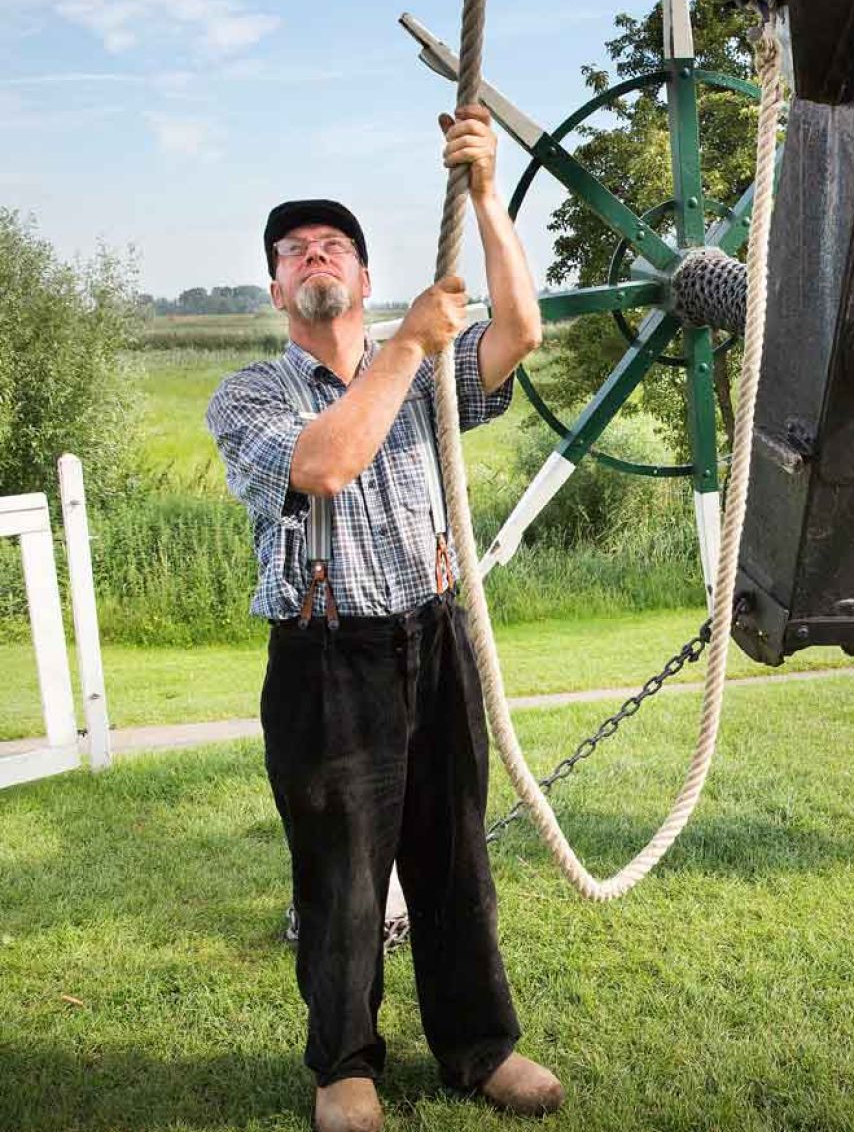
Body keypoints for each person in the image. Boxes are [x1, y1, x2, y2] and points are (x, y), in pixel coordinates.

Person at [206, 105, 563, 1131]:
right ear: (278, 289)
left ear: (361, 278)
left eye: (335, 246)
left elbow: (520, 329)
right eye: (295, 250)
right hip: (327, 659)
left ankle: (481, 1045)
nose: (316, 255)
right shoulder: (250, 395)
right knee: (341, 877)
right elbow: (325, 461)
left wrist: (488, 195)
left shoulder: (427, 369)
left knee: (454, 856)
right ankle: (345, 1066)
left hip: (432, 633)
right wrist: (405, 342)